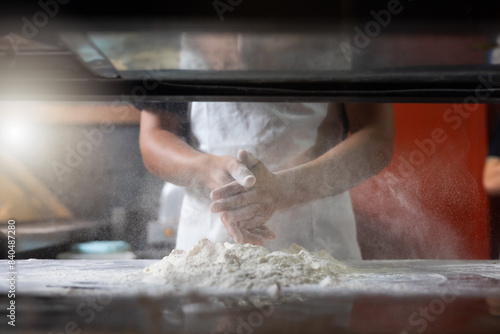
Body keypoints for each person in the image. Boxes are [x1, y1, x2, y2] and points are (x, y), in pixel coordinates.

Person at [137, 33, 394, 260]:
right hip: (207, 244)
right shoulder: (172, 25)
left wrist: (285, 189)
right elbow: (155, 135)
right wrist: (205, 169)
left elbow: (375, 136)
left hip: (316, 245)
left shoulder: (341, 19)